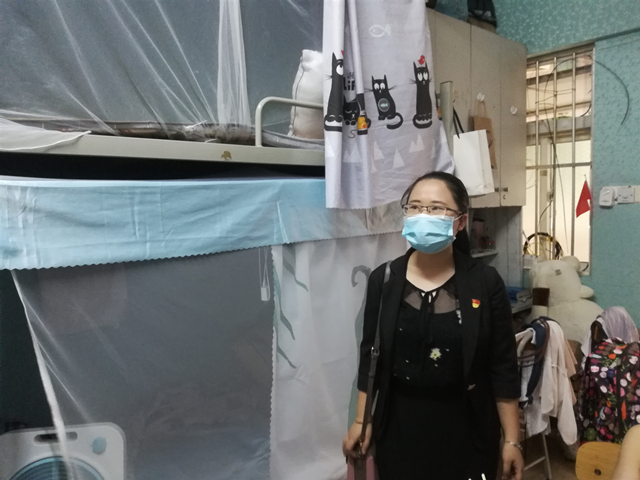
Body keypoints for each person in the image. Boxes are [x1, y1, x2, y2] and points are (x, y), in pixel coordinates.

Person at [342, 171, 524, 480]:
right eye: (415, 207)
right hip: (399, 429)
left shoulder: (485, 282)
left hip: (468, 431)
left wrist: (512, 440)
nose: (423, 215)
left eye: (436, 208)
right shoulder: (384, 280)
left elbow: (502, 365)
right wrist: (362, 420)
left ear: (461, 222)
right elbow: (371, 357)